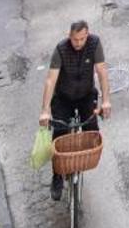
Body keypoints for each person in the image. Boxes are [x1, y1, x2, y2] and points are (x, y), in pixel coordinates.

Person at [41, 20, 111, 200]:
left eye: (82, 39)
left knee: (92, 132)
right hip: (63, 97)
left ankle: (79, 162)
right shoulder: (61, 49)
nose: (78, 43)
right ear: (69, 36)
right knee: (59, 135)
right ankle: (57, 176)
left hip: (86, 95)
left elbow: (102, 72)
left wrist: (106, 101)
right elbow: (50, 80)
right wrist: (45, 110)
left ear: (87, 35)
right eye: (75, 39)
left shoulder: (94, 43)